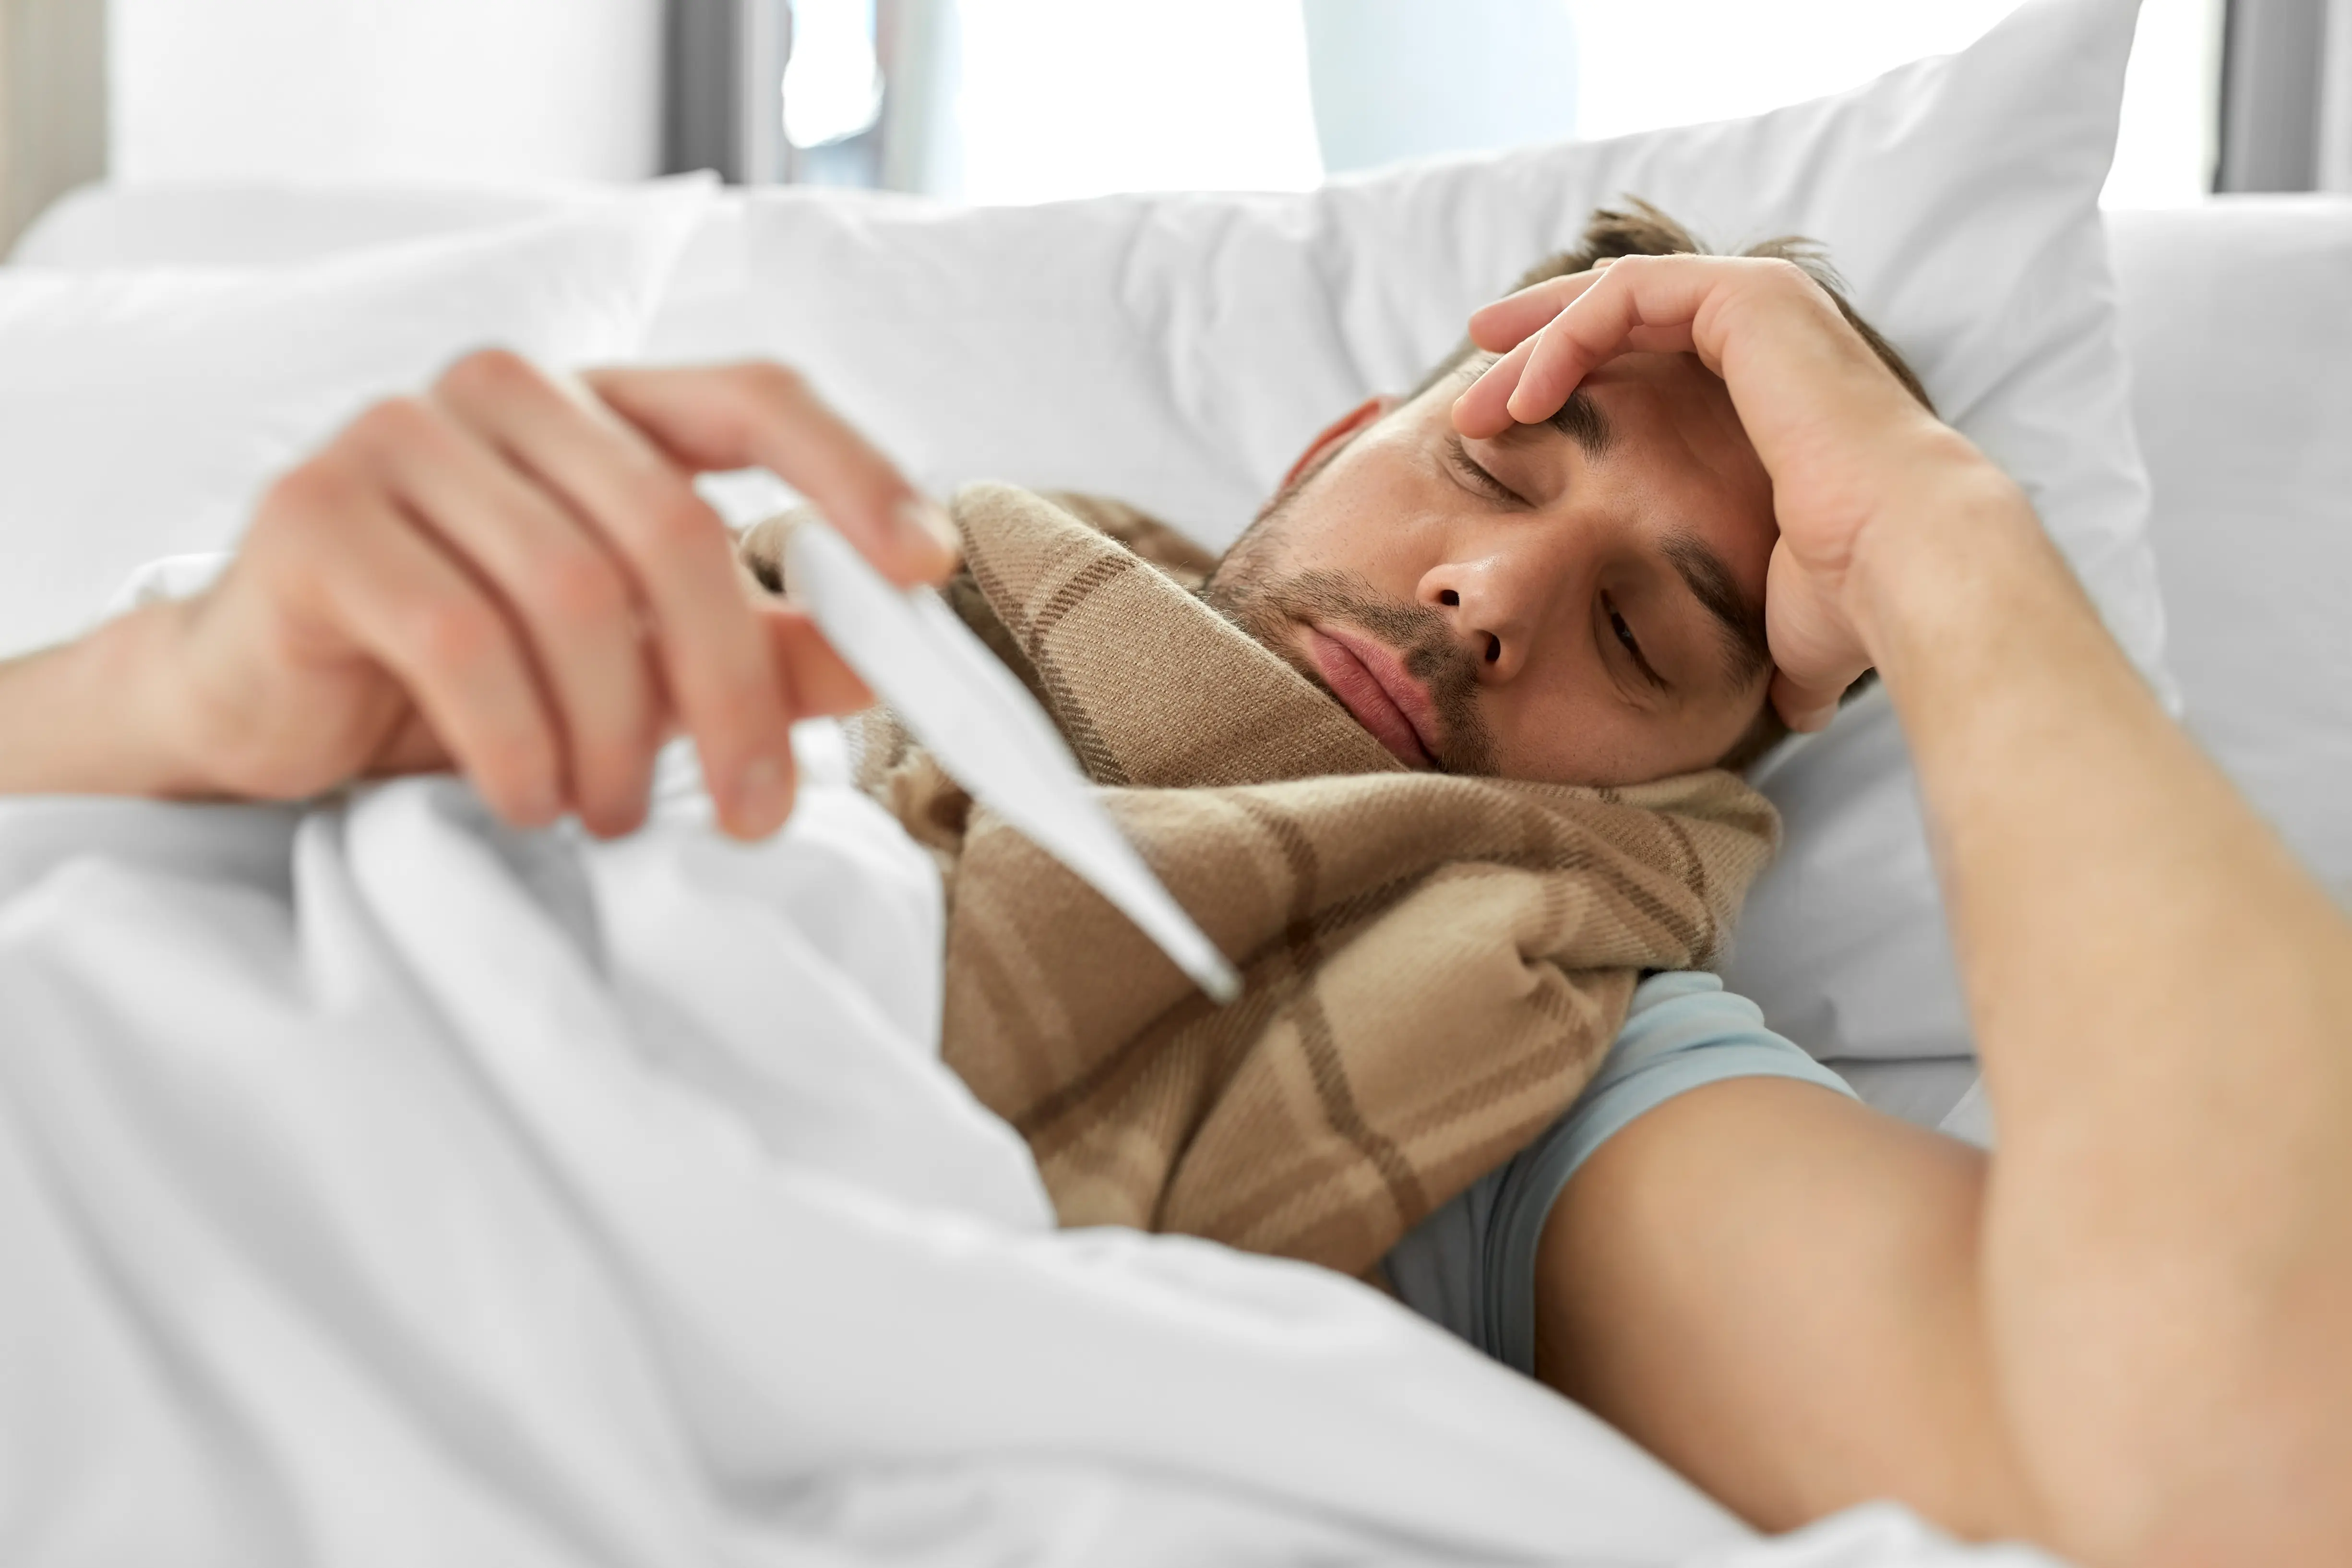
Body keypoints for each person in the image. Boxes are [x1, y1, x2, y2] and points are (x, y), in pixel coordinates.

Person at [2, 226, 2347, 1568]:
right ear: (1330, 444)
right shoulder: (722, 590)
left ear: (1711, 771)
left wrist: (1936, 543)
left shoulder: (1552, 1021)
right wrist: (164, 695)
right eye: (1492, 469)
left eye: (1651, 639)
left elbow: (2231, 1447)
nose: (1491, 597)